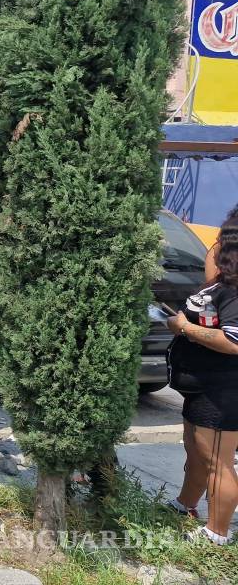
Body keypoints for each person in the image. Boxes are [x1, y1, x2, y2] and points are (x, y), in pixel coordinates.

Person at [165, 214, 238, 546]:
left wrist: (185, 328)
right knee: (195, 452)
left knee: (217, 463)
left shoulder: (235, 290)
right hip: (199, 385)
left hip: (221, 390)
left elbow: (233, 341)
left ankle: (217, 534)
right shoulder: (219, 282)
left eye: (221, 241)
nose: (214, 247)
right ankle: (185, 506)